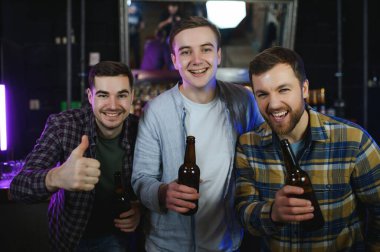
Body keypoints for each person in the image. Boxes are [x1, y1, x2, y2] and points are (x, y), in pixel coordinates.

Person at [132, 16, 263, 251]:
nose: (197, 60)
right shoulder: (155, 111)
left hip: (228, 243)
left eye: (206, 49)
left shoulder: (244, 101)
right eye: (185, 52)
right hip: (169, 246)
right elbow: (141, 179)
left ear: (219, 55)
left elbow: (267, 152)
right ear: (174, 60)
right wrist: (163, 193)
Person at [235, 46, 380, 251]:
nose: (274, 103)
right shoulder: (248, 145)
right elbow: (243, 212)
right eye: (262, 94)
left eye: (283, 89)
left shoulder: (353, 140)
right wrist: (273, 213)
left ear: (304, 89)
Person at [10, 61, 142, 251]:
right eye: (103, 95)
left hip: (122, 238)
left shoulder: (141, 129)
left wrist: (141, 210)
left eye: (121, 95)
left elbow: (158, 184)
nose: (113, 105)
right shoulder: (63, 125)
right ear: (90, 96)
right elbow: (18, 187)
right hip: (71, 237)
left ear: (132, 97)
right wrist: (56, 177)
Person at [128, 4, 144, 68]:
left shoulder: (138, 15)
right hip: (127, 37)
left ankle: (138, 68)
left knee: (136, 52)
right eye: (132, 8)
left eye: (134, 8)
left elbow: (142, 25)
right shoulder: (126, 14)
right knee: (127, 52)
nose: (133, 9)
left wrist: (139, 29)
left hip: (135, 36)